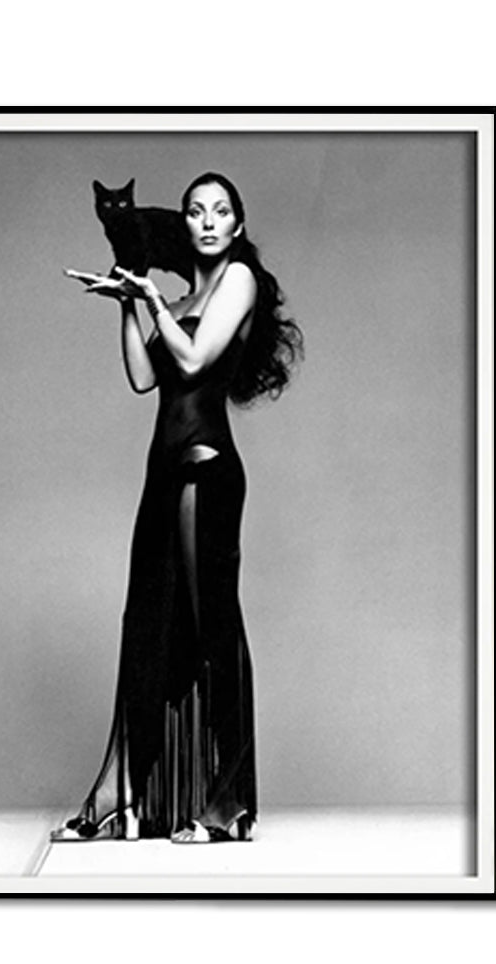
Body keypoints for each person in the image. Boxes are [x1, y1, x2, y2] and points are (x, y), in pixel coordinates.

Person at [53, 172, 302, 843]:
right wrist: (127, 302)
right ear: (184, 225)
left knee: (213, 629)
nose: (208, 221)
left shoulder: (238, 282)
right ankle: (122, 795)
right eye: (195, 211)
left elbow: (191, 362)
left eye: (221, 210)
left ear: (238, 225)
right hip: (163, 471)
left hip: (207, 469)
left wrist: (154, 301)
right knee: (148, 626)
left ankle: (228, 804)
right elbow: (145, 377)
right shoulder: (185, 296)